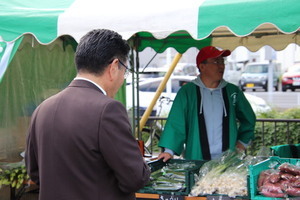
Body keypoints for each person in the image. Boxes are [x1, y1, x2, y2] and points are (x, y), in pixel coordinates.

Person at [25, 29, 151, 200]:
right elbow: (135, 177)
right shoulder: (108, 109)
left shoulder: (43, 109)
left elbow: (35, 173)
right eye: (125, 71)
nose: (123, 78)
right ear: (114, 67)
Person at [158, 46, 256, 161]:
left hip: (227, 161)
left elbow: (249, 118)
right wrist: (169, 151)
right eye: (216, 61)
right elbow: (176, 123)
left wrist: (242, 143)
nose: (221, 66)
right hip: (196, 157)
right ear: (202, 66)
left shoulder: (232, 91)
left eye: (222, 62)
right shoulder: (187, 92)